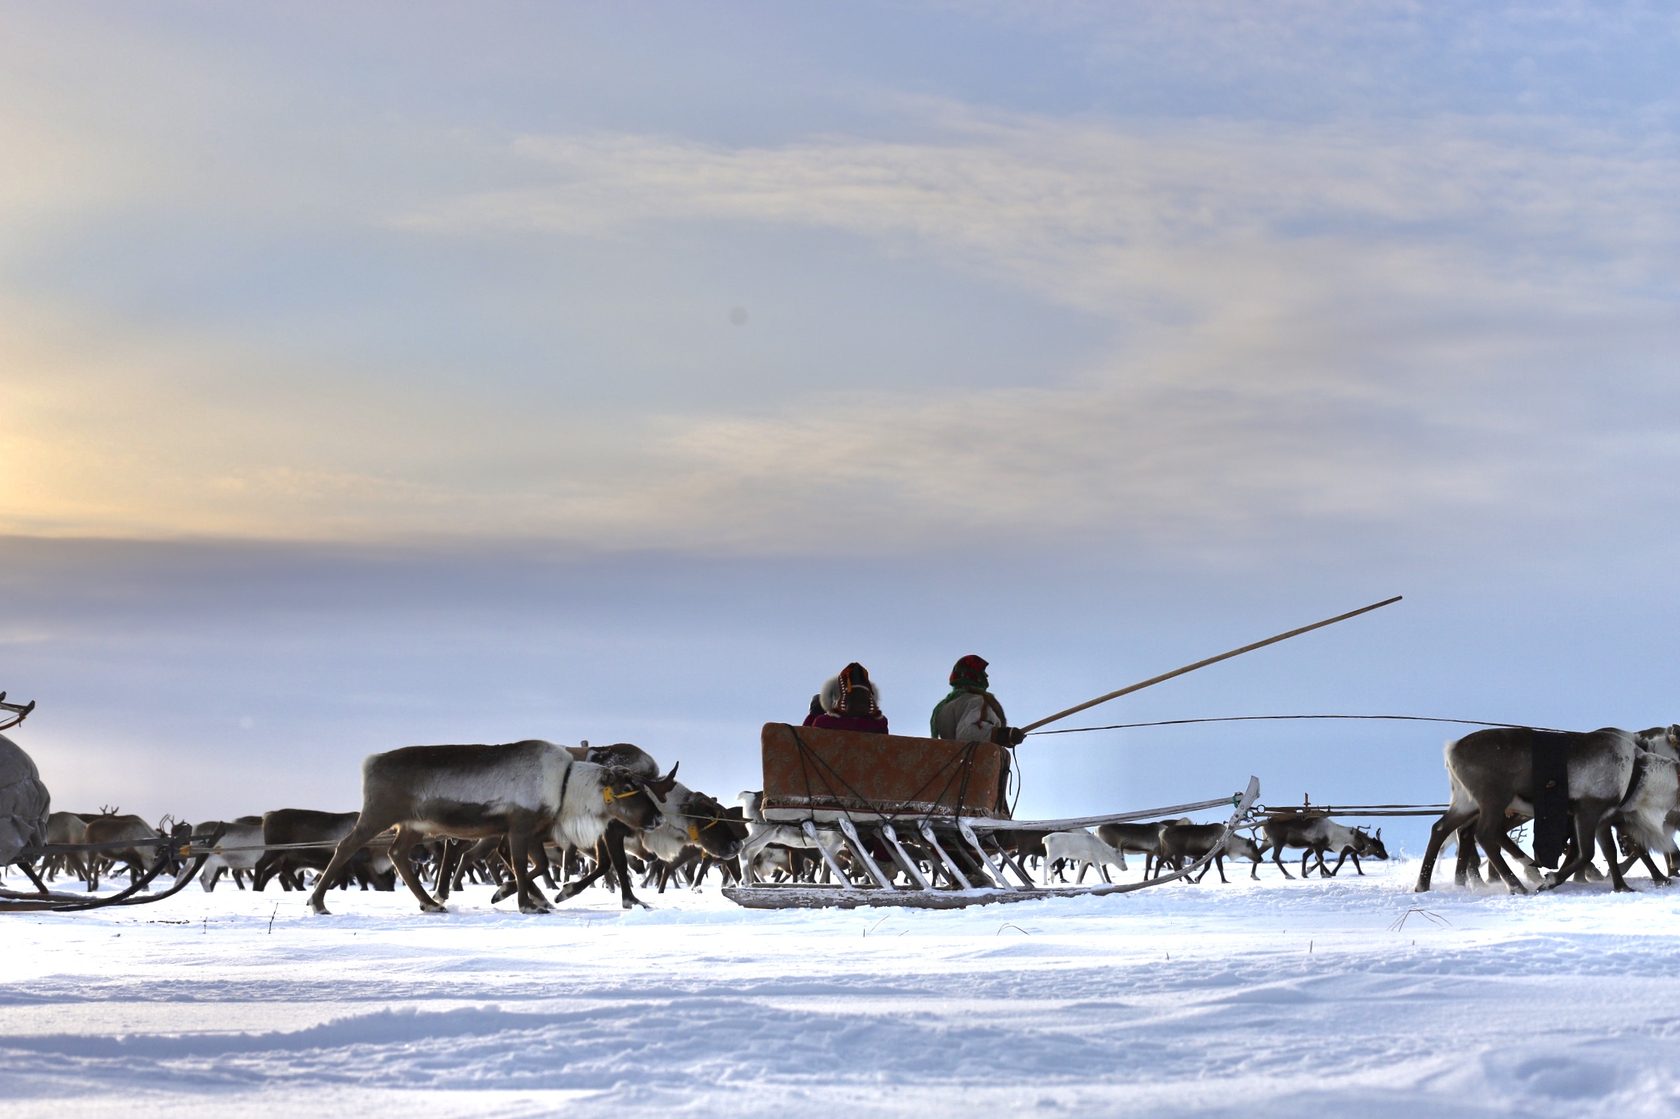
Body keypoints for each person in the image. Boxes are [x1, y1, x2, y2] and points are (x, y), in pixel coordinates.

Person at [929, 654, 1024, 746]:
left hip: (954, 759)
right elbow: (968, 733)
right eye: (982, 672)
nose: (986, 676)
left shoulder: (945, 706)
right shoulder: (976, 701)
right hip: (970, 760)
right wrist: (1004, 735)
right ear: (973, 675)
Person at [801, 661, 890, 734]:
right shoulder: (879, 723)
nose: (859, 703)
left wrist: (814, 714)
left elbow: (804, 740)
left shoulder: (825, 722)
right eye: (855, 698)